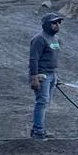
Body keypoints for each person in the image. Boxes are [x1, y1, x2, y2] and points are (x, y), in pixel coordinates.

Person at [28, 11, 64, 139]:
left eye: (59, 22)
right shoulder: (39, 39)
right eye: (54, 23)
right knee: (42, 102)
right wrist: (34, 77)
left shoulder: (56, 39)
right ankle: (38, 131)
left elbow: (53, 58)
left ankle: (39, 128)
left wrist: (55, 76)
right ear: (46, 25)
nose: (57, 25)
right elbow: (33, 59)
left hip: (51, 74)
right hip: (41, 75)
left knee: (46, 102)